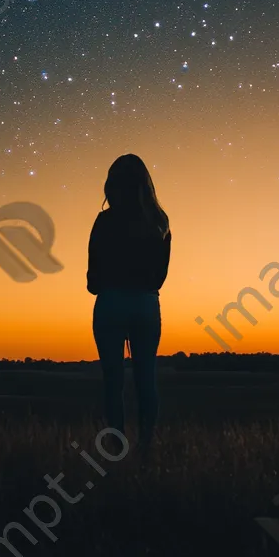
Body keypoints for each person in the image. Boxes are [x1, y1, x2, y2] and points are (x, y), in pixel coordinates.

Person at [87, 154, 171, 455]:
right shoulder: (159, 223)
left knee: (113, 382)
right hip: (146, 305)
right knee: (146, 380)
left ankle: (115, 449)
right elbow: (159, 278)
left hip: (110, 303)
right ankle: (146, 448)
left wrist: (107, 280)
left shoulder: (105, 221)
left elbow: (92, 280)